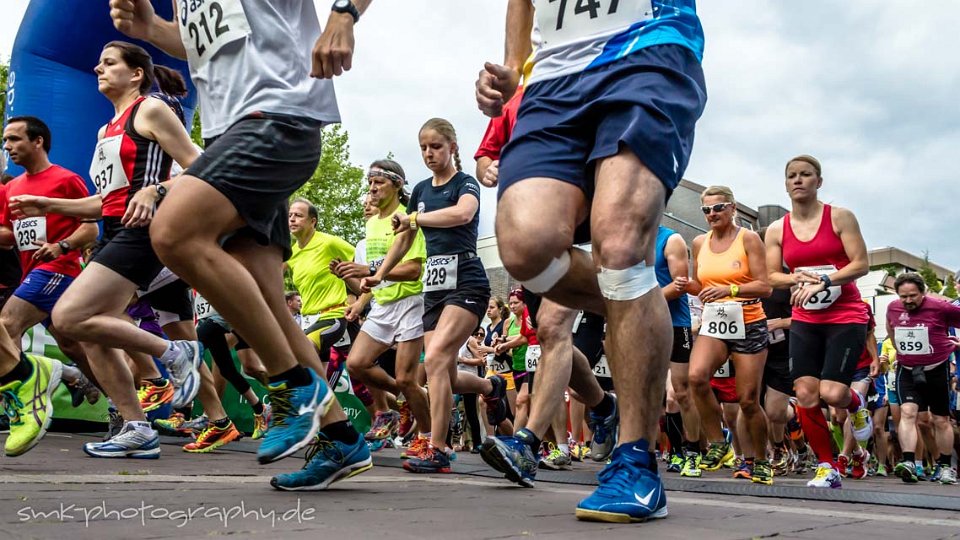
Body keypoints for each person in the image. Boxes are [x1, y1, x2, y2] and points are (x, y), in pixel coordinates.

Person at [109, 0, 374, 488]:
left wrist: (343, 15)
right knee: (267, 303)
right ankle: (340, 439)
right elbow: (204, 47)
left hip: (278, 118)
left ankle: (295, 387)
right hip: (232, 134)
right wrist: (151, 28)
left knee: (174, 232)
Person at [477, 0, 706, 522]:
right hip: (554, 77)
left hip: (646, 48)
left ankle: (635, 462)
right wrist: (514, 64)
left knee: (622, 246)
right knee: (525, 249)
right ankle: (635, 307)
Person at [365, 119, 509, 474]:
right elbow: (405, 239)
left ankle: (439, 448)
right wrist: (379, 274)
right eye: (424, 149)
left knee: (440, 356)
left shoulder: (465, 184)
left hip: (467, 282)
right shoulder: (421, 193)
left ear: (452, 147)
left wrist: (415, 218)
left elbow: (464, 213)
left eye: (436, 147)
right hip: (434, 289)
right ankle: (490, 387)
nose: (429, 154)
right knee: (441, 371)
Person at [765, 155, 871, 489]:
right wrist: (793, 277)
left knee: (834, 392)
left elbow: (861, 264)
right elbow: (769, 276)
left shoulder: (840, 217)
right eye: (791, 176)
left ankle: (856, 405)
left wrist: (825, 282)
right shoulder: (777, 229)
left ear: (818, 181)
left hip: (845, 314)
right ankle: (827, 466)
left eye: (806, 175)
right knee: (807, 394)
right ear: (785, 184)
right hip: (805, 317)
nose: (798, 180)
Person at [0, 116, 101, 407]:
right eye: (6, 141)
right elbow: (8, 236)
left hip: (59, 269)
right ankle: (123, 404)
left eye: (14, 139)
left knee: (6, 325)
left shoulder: (66, 179)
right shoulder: (13, 187)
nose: (8, 146)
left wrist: (62, 245)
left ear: (38, 141)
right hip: (30, 272)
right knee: (73, 346)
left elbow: (91, 227)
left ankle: (18, 405)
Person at [682, 186, 773, 484]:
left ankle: (761, 460)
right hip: (716, 320)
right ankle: (719, 443)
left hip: (749, 320)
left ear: (733, 208)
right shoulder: (698, 242)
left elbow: (765, 286)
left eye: (718, 207)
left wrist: (731, 289)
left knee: (747, 400)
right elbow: (701, 286)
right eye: (706, 210)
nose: (712, 214)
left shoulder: (748, 238)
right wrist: (687, 285)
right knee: (696, 377)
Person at [887, 273, 960, 484]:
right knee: (908, 413)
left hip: (937, 368)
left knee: (940, 420)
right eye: (903, 296)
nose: (908, 300)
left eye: (913, 296)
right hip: (908, 369)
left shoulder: (941, 307)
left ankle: (945, 466)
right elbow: (891, 327)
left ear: (923, 292)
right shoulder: (893, 307)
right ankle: (909, 462)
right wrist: (900, 350)